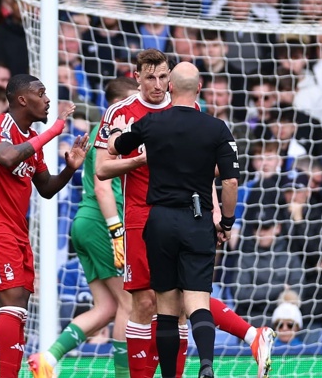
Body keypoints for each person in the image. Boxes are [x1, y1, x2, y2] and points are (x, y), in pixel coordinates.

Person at [94, 49, 275, 378]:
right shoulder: (120, 112)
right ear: (137, 78)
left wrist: (215, 212)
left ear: (173, 80)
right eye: (150, 77)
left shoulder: (190, 110)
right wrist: (140, 164)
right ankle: (247, 336)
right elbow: (103, 169)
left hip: (186, 211)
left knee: (175, 305)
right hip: (139, 213)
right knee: (145, 302)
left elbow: (206, 172)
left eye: (163, 76)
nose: (158, 84)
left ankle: (187, 368)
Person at [0, 73, 88, 378]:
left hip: (16, 229)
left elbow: (45, 187)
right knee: (13, 299)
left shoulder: (30, 139)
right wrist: (55, 130)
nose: (48, 100)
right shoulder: (0, 126)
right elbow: (6, 157)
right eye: (41, 93)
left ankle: (12, 372)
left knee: (19, 306)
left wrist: (70, 169)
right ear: (22, 99)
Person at [28, 77, 139, 378]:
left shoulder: (100, 132)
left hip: (86, 221)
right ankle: (123, 375)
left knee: (107, 307)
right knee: (130, 302)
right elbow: (106, 188)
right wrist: (116, 230)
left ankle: (48, 358)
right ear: (119, 104)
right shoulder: (116, 132)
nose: (137, 106)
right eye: (132, 100)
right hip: (104, 221)